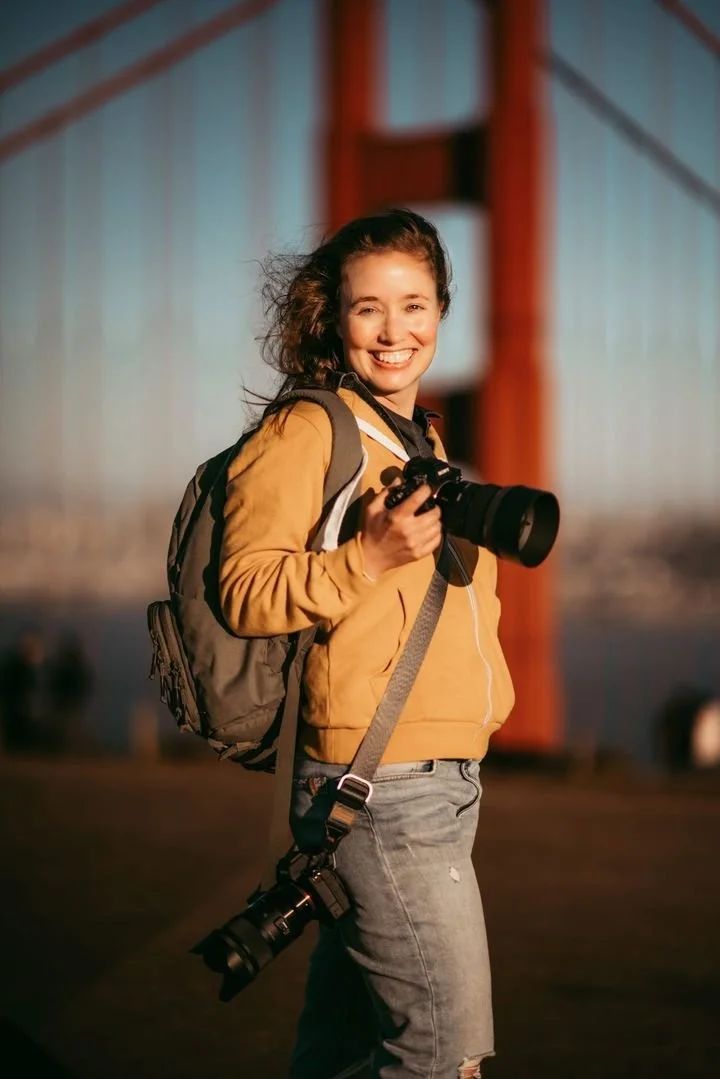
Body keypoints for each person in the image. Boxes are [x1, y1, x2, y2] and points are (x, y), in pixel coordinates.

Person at [219, 209, 515, 1079]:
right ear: (334, 317)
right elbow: (244, 590)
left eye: (416, 305)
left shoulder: (421, 438)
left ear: (442, 310)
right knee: (443, 1054)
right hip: (380, 787)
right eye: (369, 309)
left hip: (442, 782)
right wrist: (366, 557)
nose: (396, 331)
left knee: (342, 1055)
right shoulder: (309, 431)